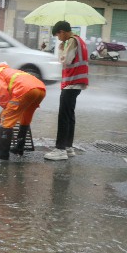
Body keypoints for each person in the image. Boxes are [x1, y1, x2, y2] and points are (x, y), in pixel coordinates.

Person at [0, 62, 46, 160]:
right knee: (25, 117)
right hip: (40, 89)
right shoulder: (8, 71)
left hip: (25, 89)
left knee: (6, 118)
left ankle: (3, 152)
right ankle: (19, 147)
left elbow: (3, 93)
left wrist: (6, 108)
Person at [44, 21, 89, 161]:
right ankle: (68, 147)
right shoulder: (79, 40)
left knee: (63, 116)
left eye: (58, 35)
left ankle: (60, 149)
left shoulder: (71, 41)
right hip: (77, 83)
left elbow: (66, 60)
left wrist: (62, 49)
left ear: (62, 32)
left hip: (71, 83)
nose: (58, 38)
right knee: (69, 115)